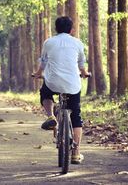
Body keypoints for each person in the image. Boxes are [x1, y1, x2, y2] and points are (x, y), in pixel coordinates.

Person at [32, 16, 89, 164]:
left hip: (53, 83)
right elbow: (81, 63)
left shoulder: (49, 42)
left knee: (45, 92)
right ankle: (76, 153)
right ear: (72, 29)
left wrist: (38, 74)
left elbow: (43, 61)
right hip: (72, 84)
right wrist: (84, 73)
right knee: (76, 116)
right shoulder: (77, 42)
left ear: (56, 29)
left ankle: (51, 116)